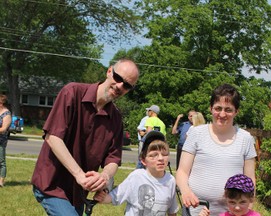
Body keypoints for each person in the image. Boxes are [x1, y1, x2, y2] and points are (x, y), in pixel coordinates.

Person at [31, 59, 139, 215]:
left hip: (78, 193)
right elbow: (53, 137)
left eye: (127, 85)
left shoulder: (115, 118)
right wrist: (79, 175)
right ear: (109, 72)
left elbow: (113, 159)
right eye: (118, 78)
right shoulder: (72, 92)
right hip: (51, 184)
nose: (120, 86)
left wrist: (104, 176)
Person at [176, 83, 257, 215]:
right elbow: (182, 172)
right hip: (196, 210)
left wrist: (246, 210)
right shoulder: (196, 133)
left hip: (232, 212)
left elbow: (250, 179)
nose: (222, 114)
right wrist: (186, 192)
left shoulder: (245, 138)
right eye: (218, 108)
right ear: (210, 108)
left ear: (236, 111)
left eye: (228, 109)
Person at [94, 130, 179, 216]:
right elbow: (115, 196)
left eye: (164, 154)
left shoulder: (170, 180)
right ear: (143, 160)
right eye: (154, 155)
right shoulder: (136, 176)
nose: (161, 158)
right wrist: (103, 197)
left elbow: (172, 210)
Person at [0, 94, 12, 187]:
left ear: (2, 103)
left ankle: (1, 182)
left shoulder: (6, 114)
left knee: (1, 161)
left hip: (1, 141)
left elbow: (3, 129)